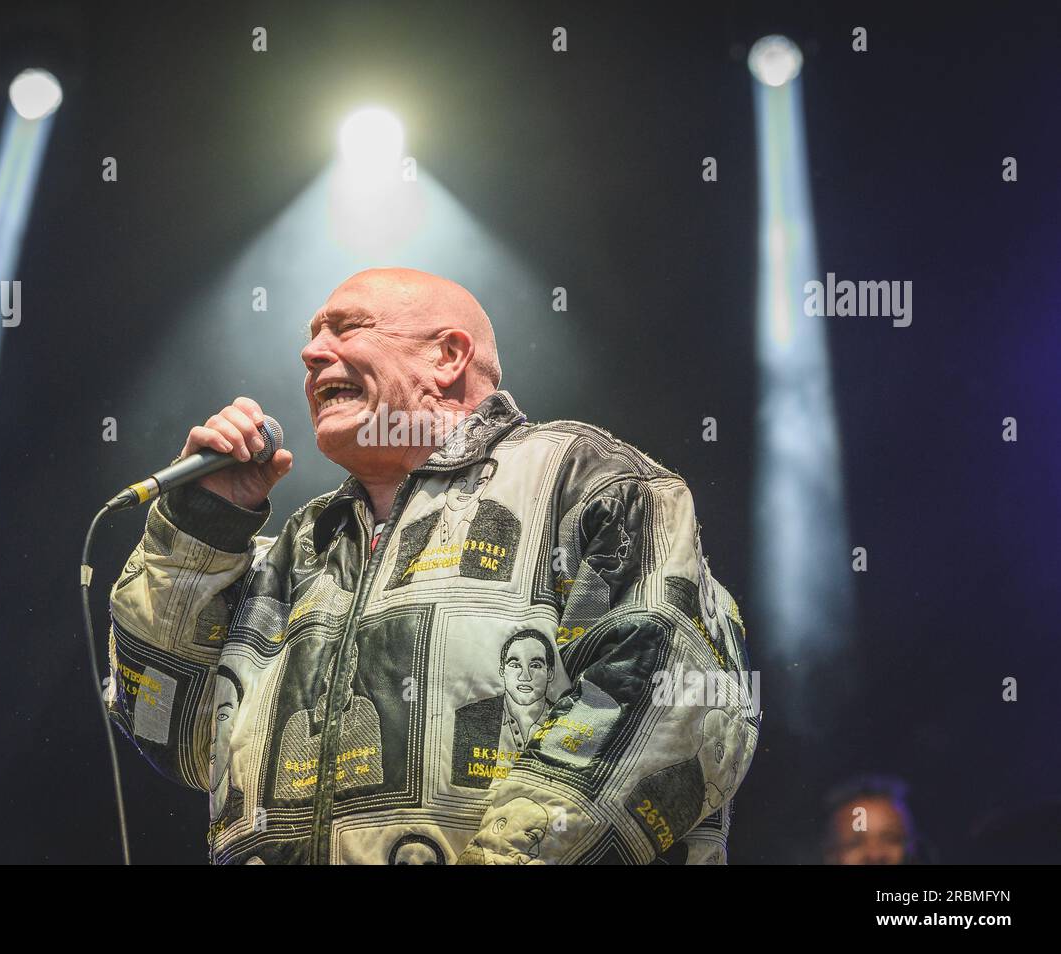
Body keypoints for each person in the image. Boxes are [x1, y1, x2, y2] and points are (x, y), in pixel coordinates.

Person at [104, 267, 758, 864]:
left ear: (447, 356)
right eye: (310, 336)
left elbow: (674, 698)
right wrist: (201, 530)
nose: (309, 353)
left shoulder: (584, 479)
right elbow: (170, 731)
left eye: (345, 327)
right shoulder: (299, 547)